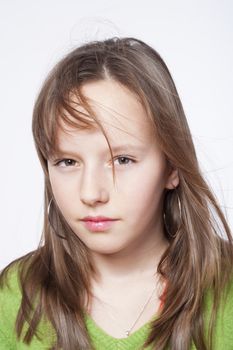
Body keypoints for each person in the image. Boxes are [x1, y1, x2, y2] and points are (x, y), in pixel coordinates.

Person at [0, 37, 233, 350]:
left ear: (172, 167)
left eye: (123, 160)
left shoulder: (225, 292)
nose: (91, 193)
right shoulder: (15, 298)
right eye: (68, 161)